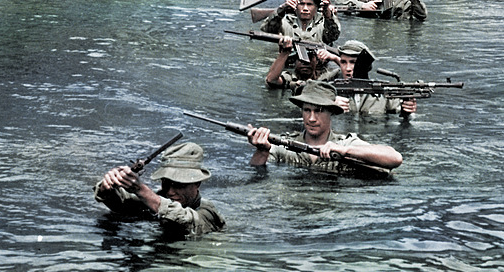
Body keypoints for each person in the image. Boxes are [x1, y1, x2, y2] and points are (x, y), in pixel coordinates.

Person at [246, 81, 403, 174]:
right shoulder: (285, 145)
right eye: (307, 110)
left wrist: (344, 151)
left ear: (331, 113)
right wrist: (261, 151)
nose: (312, 118)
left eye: (319, 111)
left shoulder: (344, 144)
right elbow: (255, 174)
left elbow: (395, 158)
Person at [93, 142, 226, 237]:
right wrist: (109, 185)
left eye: (179, 185)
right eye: (166, 183)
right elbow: (121, 202)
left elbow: (186, 220)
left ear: (197, 183)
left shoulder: (208, 212)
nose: (170, 192)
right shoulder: (157, 197)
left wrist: (141, 189)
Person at [320, 40, 417, 116]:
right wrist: (329, 105)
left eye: (353, 62)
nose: (348, 68)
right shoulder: (329, 89)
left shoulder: (382, 95)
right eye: (343, 62)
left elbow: (404, 121)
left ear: (365, 66)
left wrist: (408, 111)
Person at [260, 0, 341, 46]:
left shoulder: (323, 23)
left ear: (316, 7)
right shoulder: (286, 21)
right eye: (301, 4)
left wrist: (327, 13)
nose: (305, 8)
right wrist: (283, 8)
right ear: (295, 5)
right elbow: (267, 30)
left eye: (309, 4)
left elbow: (333, 36)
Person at [264, 36, 330, 90]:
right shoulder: (289, 78)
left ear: (317, 61)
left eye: (310, 57)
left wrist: (334, 58)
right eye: (301, 58)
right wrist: (285, 53)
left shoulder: (326, 77)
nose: (305, 62)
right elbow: (271, 80)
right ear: (295, 61)